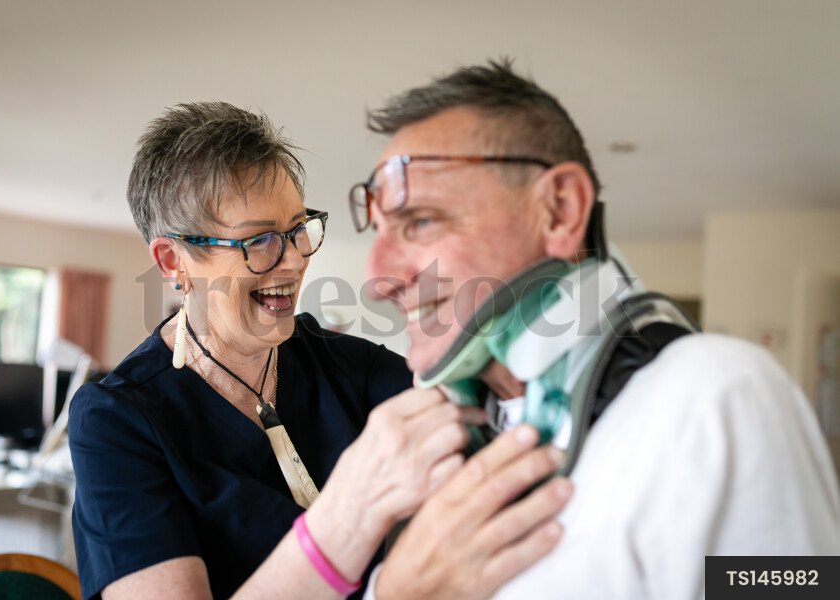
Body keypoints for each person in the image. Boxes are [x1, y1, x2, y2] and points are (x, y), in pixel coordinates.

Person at [351, 59, 840, 599]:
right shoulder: (430, 462)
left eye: (419, 220)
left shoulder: (716, 395)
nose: (377, 279)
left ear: (560, 211)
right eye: (377, 232)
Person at [68, 101, 571, 600]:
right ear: (174, 262)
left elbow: (499, 410)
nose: (293, 260)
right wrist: (362, 546)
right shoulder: (117, 420)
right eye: (260, 240)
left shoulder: (353, 367)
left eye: (297, 229)